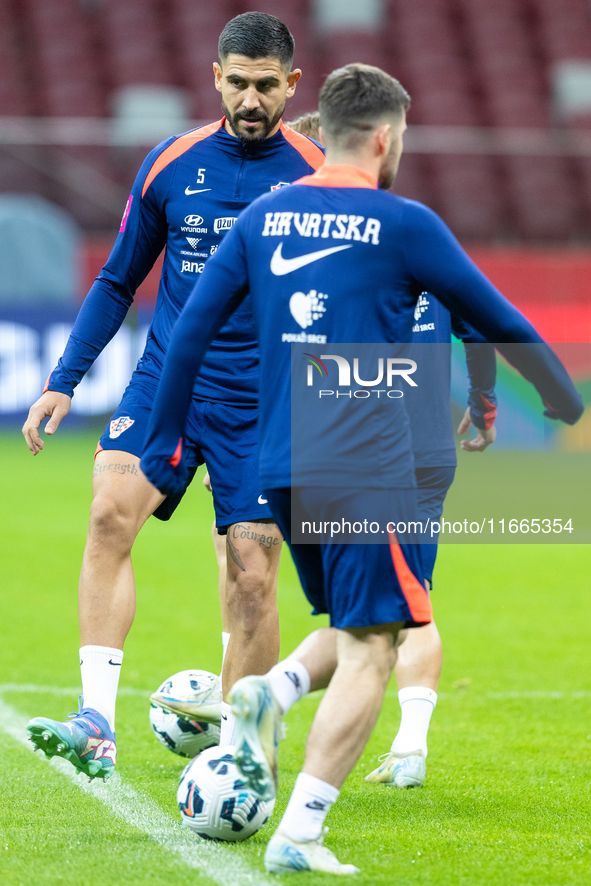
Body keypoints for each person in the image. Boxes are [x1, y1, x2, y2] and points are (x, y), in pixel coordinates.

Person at [140, 64, 583, 873]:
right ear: (385, 137)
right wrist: (564, 402)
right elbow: (501, 319)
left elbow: (188, 331)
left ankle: (271, 690)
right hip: (368, 460)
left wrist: (168, 445)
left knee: (357, 624)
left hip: (279, 462)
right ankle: (300, 830)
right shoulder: (404, 223)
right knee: (378, 643)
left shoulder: (265, 217)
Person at [21, 11, 325, 780]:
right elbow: (118, 278)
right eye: (237, 83)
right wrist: (65, 380)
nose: (250, 100)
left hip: (266, 400)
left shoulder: (319, 174)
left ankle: (234, 752)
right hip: (169, 382)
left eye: (265, 86)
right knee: (105, 511)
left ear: (291, 84)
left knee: (252, 572)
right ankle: (95, 719)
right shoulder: (171, 164)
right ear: (215, 77)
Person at [205, 111, 499, 789]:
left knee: (382, 613)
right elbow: (483, 325)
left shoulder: (317, 243)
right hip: (413, 452)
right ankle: (394, 741)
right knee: (396, 605)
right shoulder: (409, 235)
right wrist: (481, 405)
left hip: (355, 455)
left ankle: (278, 698)